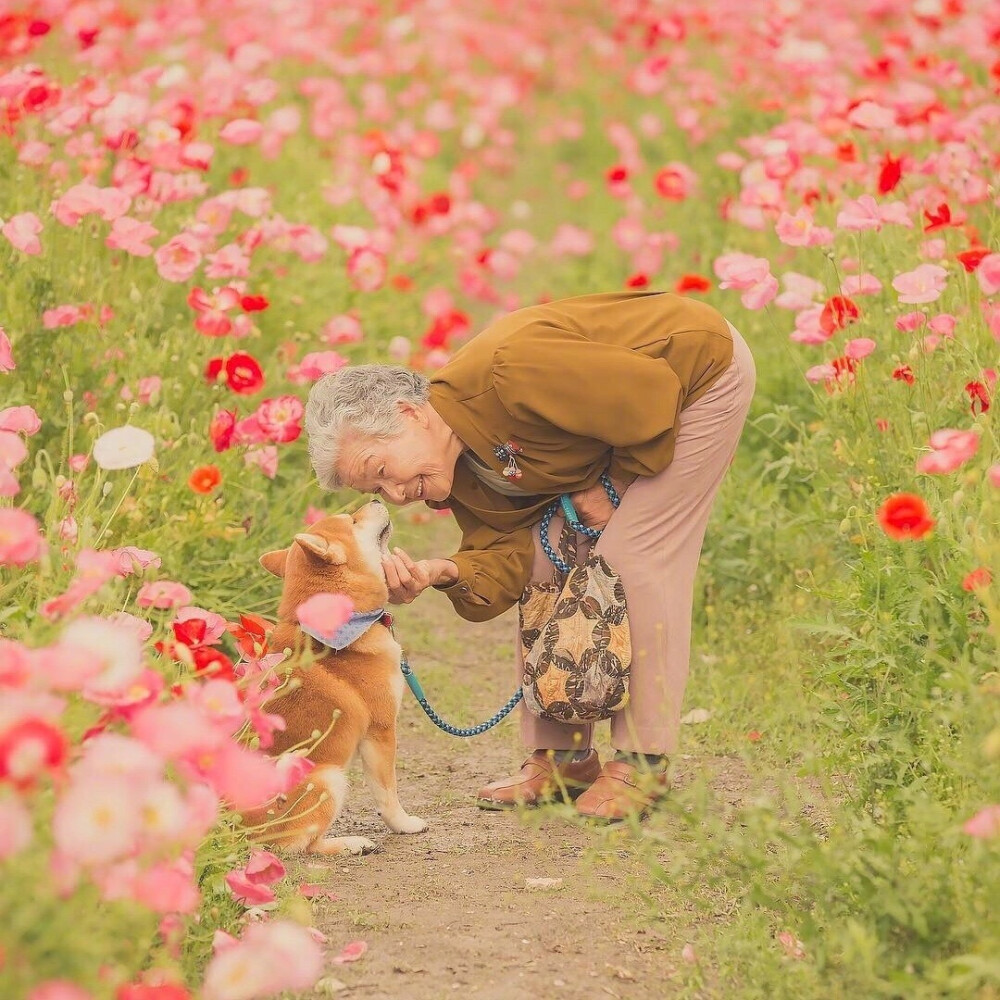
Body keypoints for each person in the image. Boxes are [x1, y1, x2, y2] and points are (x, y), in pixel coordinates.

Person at [304, 290, 756, 821]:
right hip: (626, 422)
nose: (397, 495)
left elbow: (653, 394)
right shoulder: (450, 471)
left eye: (382, 469)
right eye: (377, 491)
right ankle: (564, 758)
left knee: (634, 556)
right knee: (548, 560)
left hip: (696, 380)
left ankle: (642, 764)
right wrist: (442, 571)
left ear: (409, 414)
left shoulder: (510, 372)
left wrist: (615, 480)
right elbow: (511, 552)